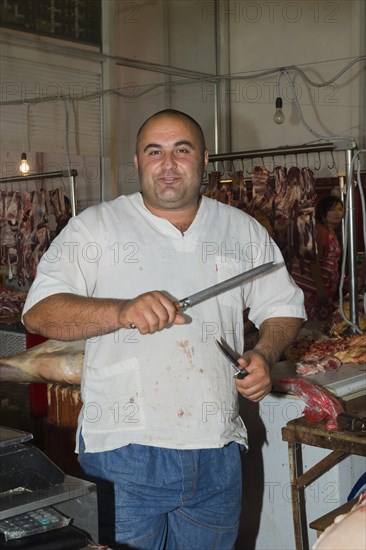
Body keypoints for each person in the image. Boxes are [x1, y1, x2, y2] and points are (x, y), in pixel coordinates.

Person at [22, 109, 305, 549]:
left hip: (216, 446)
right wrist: (121, 311)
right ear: (137, 162)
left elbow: (283, 306)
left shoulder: (241, 230)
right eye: (155, 152)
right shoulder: (95, 228)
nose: (168, 164)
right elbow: (39, 313)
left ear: (205, 160)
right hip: (124, 449)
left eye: (182, 150)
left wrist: (265, 354)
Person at [292, 196, 344, 322]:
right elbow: (313, 261)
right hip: (311, 290)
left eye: (340, 209)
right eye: (332, 210)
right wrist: (320, 290)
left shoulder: (331, 232)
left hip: (321, 288)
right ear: (323, 212)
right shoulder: (321, 231)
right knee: (311, 329)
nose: (337, 213)